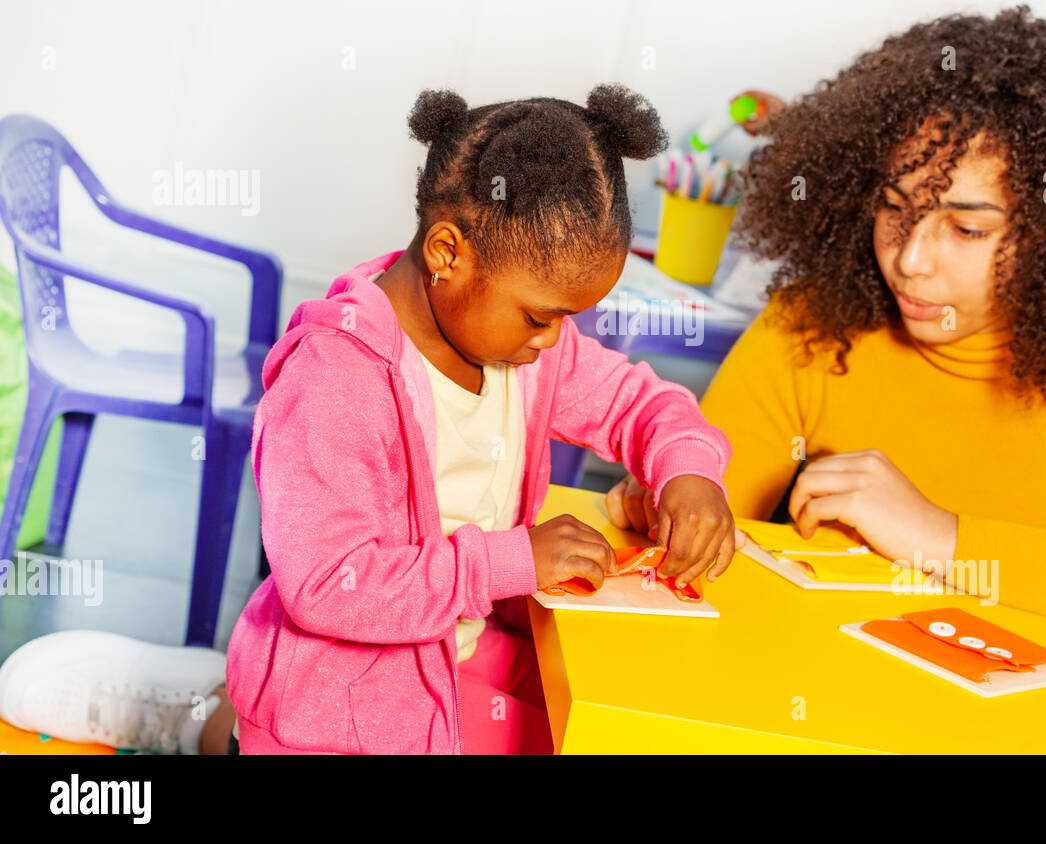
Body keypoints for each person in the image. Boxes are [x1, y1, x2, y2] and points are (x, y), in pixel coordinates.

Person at [0, 84, 739, 755]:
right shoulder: (334, 377)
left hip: (457, 665)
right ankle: (198, 715)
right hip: (338, 696)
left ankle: (223, 707)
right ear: (449, 252)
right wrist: (513, 559)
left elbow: (640, 403)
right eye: (542, 316)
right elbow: (326, 583)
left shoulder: (526, 348)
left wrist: (689, 471)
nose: (555, 340)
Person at [608, 7, 1046, 677]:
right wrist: (673, 508)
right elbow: (709, 513)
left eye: (966, 230)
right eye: (895, 208)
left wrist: (943, 539)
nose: (910, 260)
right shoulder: (812, 323)